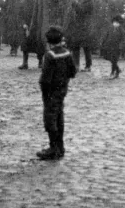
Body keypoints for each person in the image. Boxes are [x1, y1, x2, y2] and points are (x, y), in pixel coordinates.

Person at [37, 26, 77, 160]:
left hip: (50, 92)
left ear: (48, 42)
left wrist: (44, 91)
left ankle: (53, 148)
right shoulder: (67, 53)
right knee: (59, 117)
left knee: (49, 119)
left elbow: (45, 78)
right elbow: (73, 72)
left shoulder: (50, 55)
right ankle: (60, 146)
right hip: (62, 90)